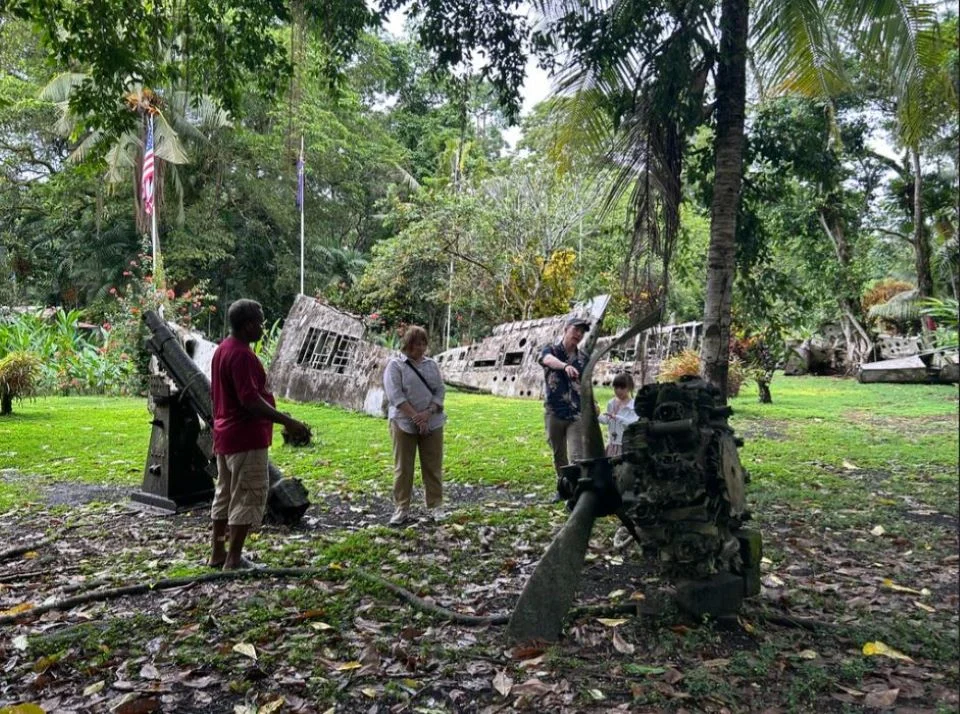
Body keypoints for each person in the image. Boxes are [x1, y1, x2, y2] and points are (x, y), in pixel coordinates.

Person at [208, 299, 310, 570]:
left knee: (224, 496)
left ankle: (218, 552)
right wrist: (287, 421)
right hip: (245, 438)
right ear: (249, 325)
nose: (263, 328)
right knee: (246, 496)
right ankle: (233, 558)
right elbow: (249, 400)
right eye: (261, 323)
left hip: (225, 437)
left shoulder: (222, 350)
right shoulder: (242, 354)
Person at [382, 325, 447, 525]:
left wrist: (427, 414)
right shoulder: (396, 365)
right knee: (403, 468)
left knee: (432, 466)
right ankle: (402, 508)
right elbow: (396, 396)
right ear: (407, 344)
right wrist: (416, 417)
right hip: (403, 422)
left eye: (423, 343)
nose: (420, 348)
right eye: (416, 343)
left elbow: (440, 390)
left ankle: (435, 505)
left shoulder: (431, 365)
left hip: (432, 422)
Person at [538, 316, 591, 489]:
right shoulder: (551, 350)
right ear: (566, 329)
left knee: (577, 456)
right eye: (576, 329)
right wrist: (564, 366)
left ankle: (576, 492)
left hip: (576, 414)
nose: (579, 334)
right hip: (554, 412)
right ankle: (564, 487)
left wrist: (593, 403)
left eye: (582, 332)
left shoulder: (583, 358)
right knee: (559, 455)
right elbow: (546, 360)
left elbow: (586, 383)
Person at [598, 372, 638, 457]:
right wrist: (596, 414)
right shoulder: (611, 403)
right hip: (612, 444)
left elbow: (632, 424)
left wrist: (617, 417)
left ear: (629, 388)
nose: (618, 390)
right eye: (616, 387)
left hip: (625, 445)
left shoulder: (633, 406)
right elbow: (606, 420)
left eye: (622, 387)